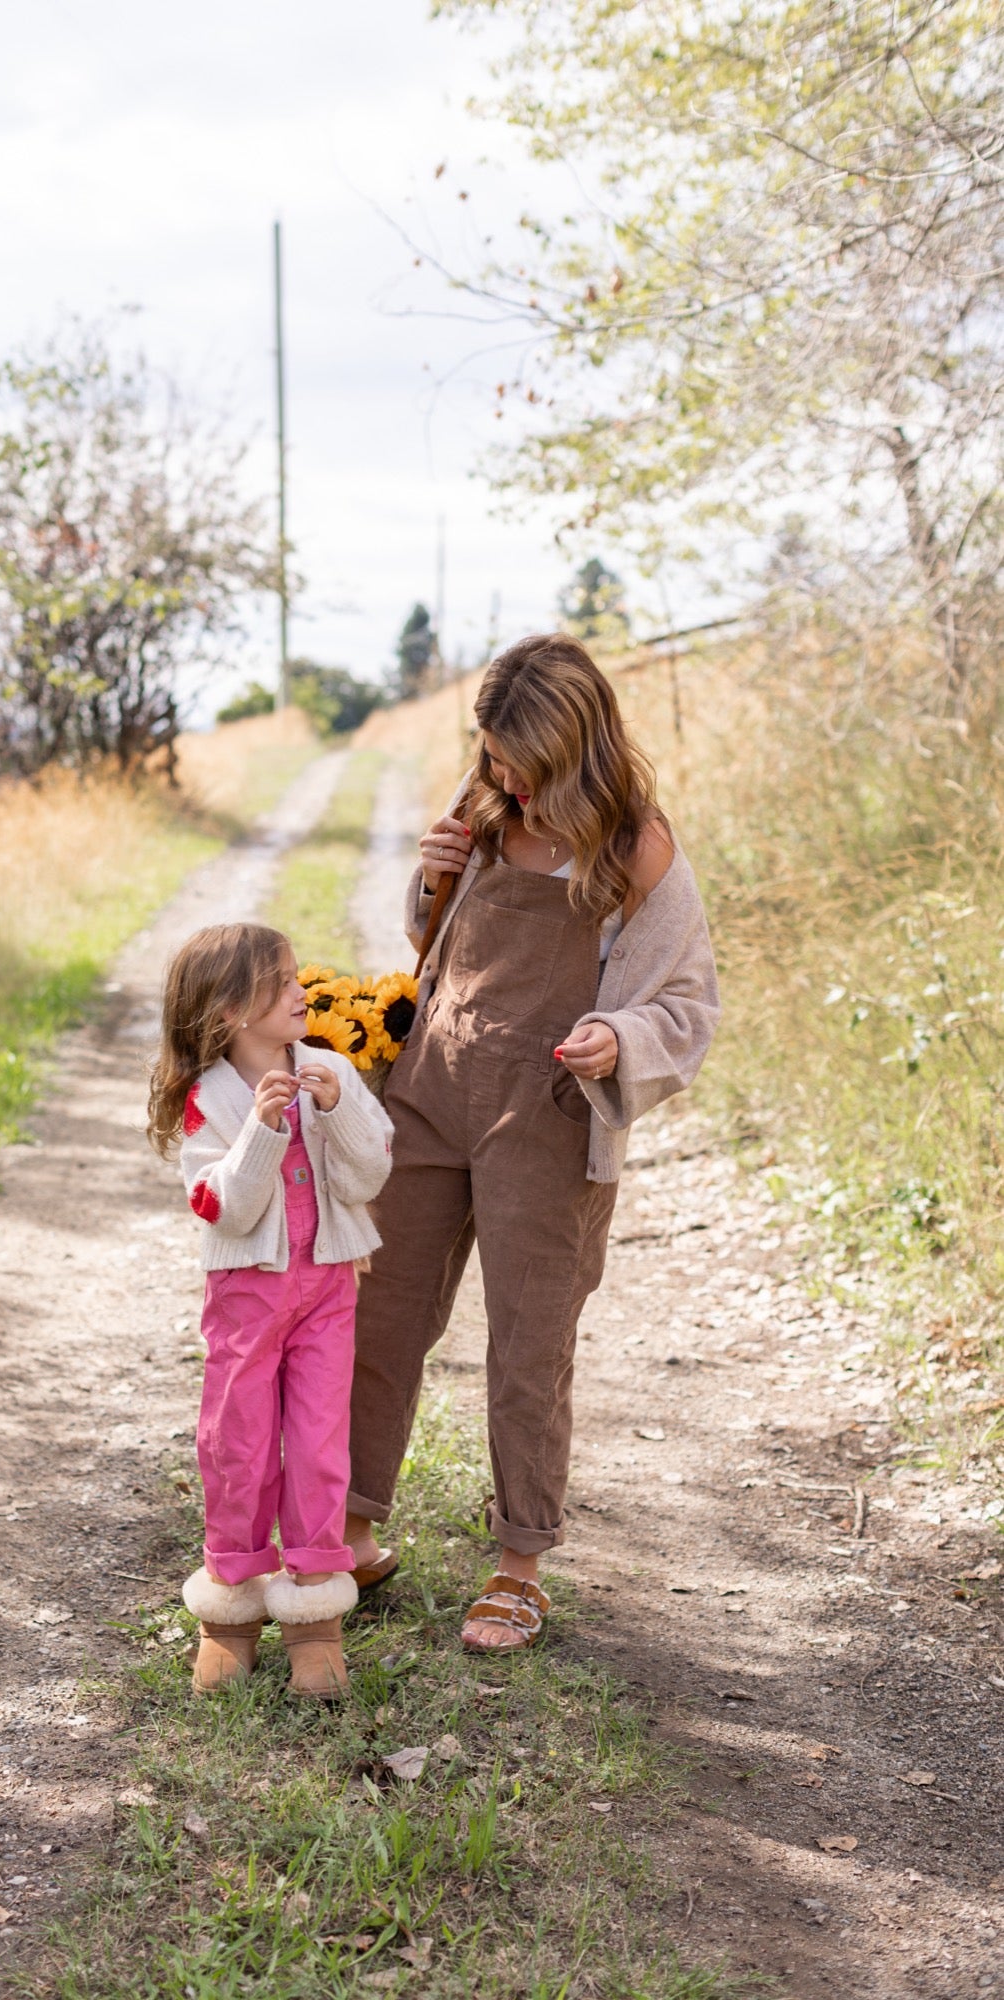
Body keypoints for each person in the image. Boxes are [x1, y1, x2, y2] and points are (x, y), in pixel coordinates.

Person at [344, 634, 720, 1653]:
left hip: (547, 1116)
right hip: (433, 1087)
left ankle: (517, 1564)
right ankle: (351, 1526)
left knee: (528, 1338)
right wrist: (430, 884)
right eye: (491, 753)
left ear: (575, 746)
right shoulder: (483, 810)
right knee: (379, 1309)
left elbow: (685, 999)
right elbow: (436, 951)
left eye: (520, 760)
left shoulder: (633, 848)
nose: (502, 776)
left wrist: (617, 1038)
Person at [148, 922, 394, 1699]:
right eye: (281, 981)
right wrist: (260, 1129)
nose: (301, 991)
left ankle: (315, 1620)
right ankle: (229, 1612)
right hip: (248, 1294)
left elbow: (367, 1175)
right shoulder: (209, 1100)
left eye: (294, 976)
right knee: (239, 1443)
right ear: (227, 1013)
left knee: (319, 1441)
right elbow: (221, 1205)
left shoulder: (329, 1070)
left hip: (325, 1287)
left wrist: (338, 1111)